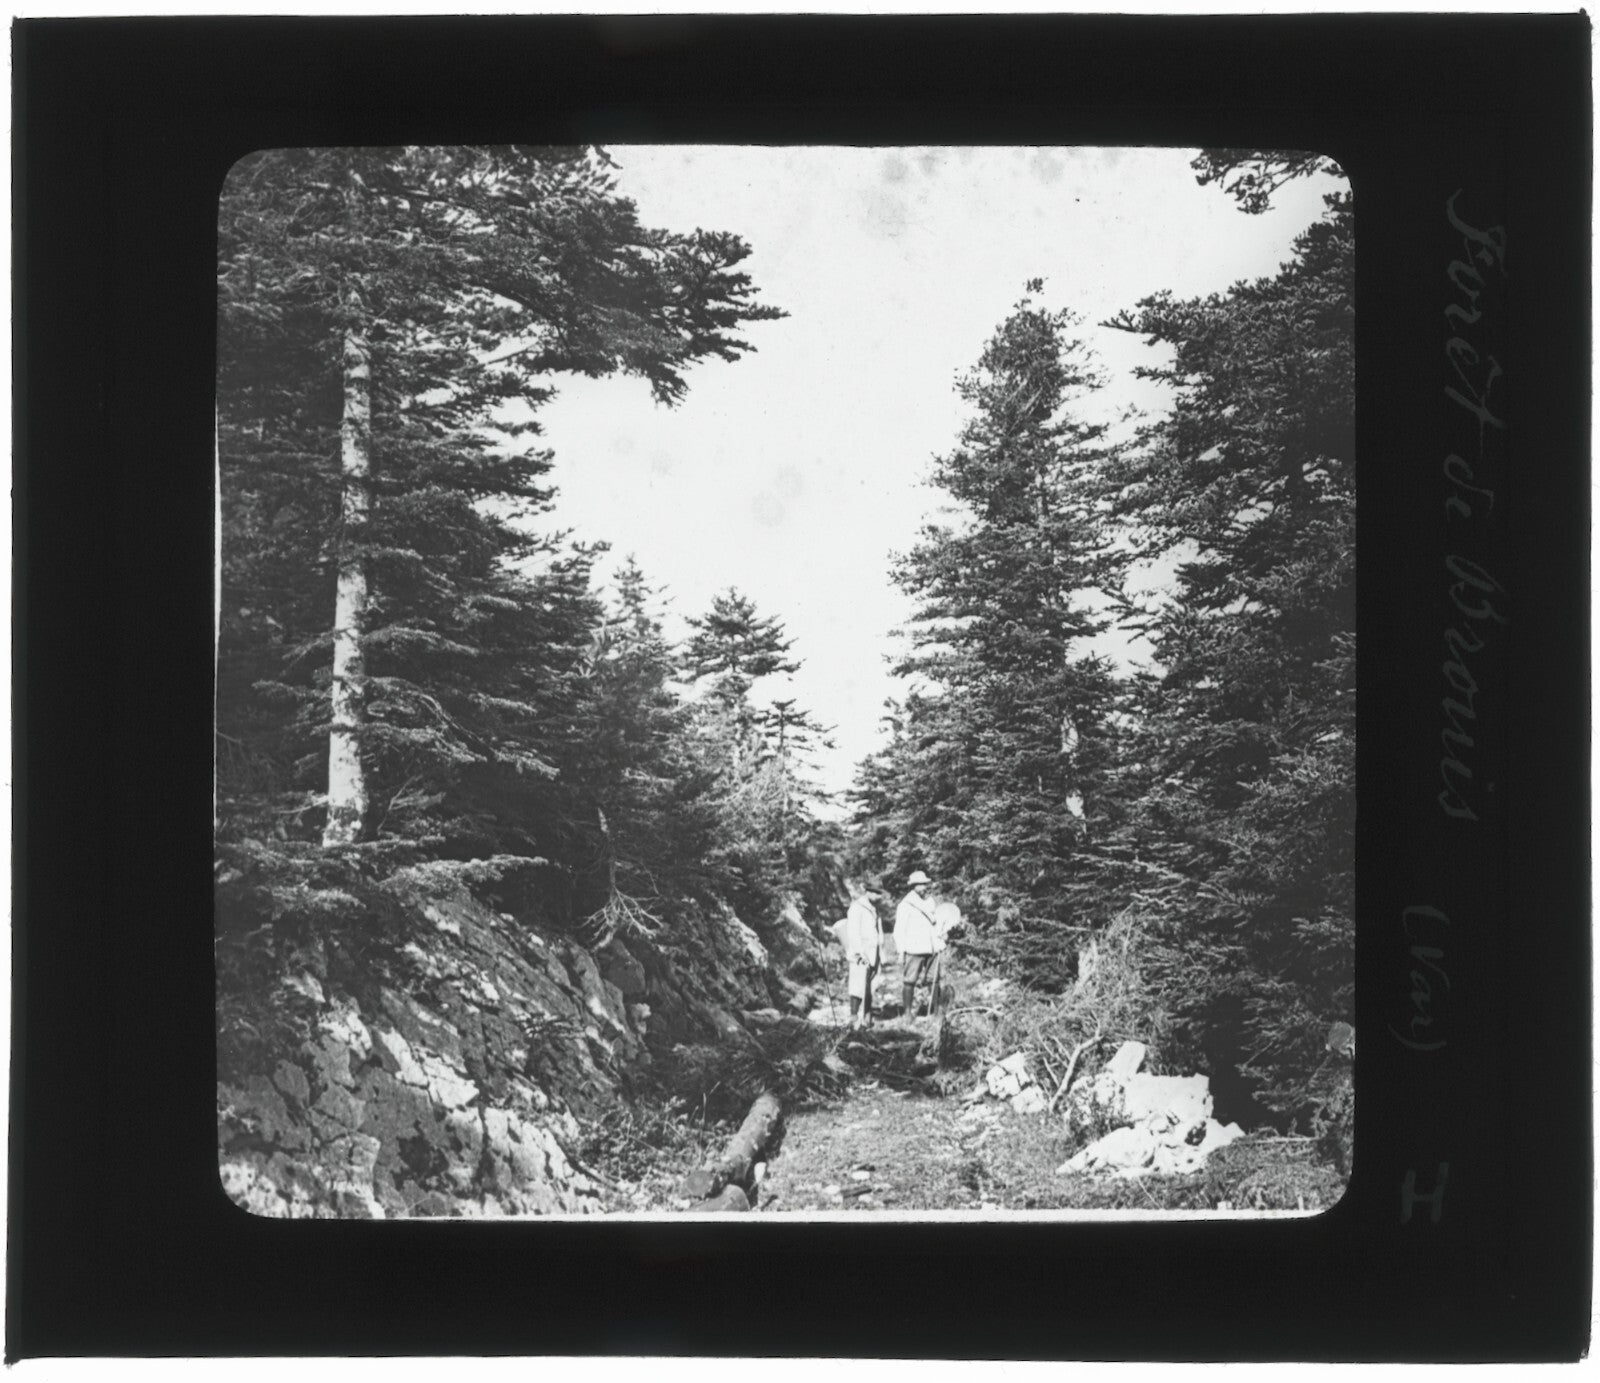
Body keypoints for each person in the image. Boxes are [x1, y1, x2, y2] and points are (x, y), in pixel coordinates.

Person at [894, 869, 940, 1019]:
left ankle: (936, 1012)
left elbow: (937, 923)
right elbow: (899, 930)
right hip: (914, 948)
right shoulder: (905, 905)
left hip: (932, 947)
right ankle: (907, 1013)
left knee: (934, 980)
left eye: (925, 884)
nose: (924, 887)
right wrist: (901, 951)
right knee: (910, 981)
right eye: (920, 884)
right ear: (913, 886)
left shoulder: (930, 902)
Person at [842, 878, 883, 1029]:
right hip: (861, 953)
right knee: (857, 985)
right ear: (868, 892)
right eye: (876, 893)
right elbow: (853, 933)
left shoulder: (873, 908)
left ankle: (866, 1016)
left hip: (873, 952)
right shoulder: (857, 907)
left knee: (870, 986)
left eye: (880, 893)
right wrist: (859, 953)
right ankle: (854, 1018)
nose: (879, 897)